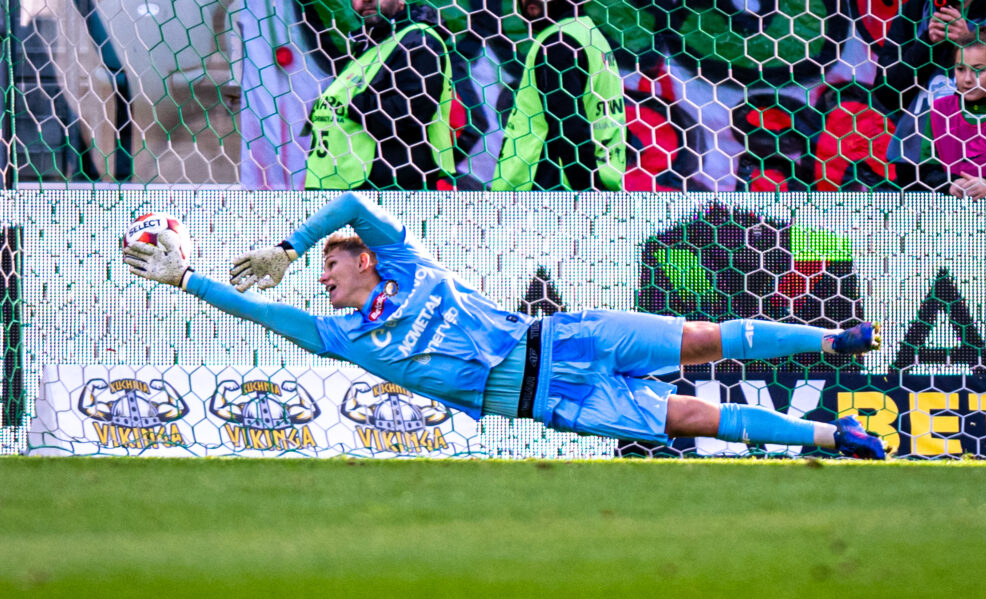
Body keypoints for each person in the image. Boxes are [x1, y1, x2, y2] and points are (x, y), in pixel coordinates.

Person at [121, 193, 892, 460]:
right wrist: (188, 280)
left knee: (702, 338)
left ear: (365, 259)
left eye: (331, 266)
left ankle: (833, 340)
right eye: (318, 271)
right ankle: (837, 436)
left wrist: (289, 246)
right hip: (553, 400)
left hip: (567, 336)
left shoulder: (410, 262)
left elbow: (353, 204)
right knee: (694, 416)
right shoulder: (343, 336)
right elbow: (261, 312)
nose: (322, 281)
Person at [304, 0, 455, 190]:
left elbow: (410, 112)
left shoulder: (418, 41)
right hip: (345, 182)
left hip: (389, 188)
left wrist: (357, 104)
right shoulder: (370, 44)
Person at [873, 0, 986, 184]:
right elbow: (886, 93)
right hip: (918, 165)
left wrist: (969, 43)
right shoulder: (915, 10)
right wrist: (927, 45)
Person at [491, 0, 627, 191]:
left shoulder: (558, 44)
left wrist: (588, 193)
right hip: (592, 179)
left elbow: (570, 127)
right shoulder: (587, 33)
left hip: (549, 189)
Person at [917, 27, 986, 197]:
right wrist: (951, 183)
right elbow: (927, 170)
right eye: (960, 69)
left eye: (978, 69)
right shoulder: (940, 110)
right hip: (952, 208)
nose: (967, 79)